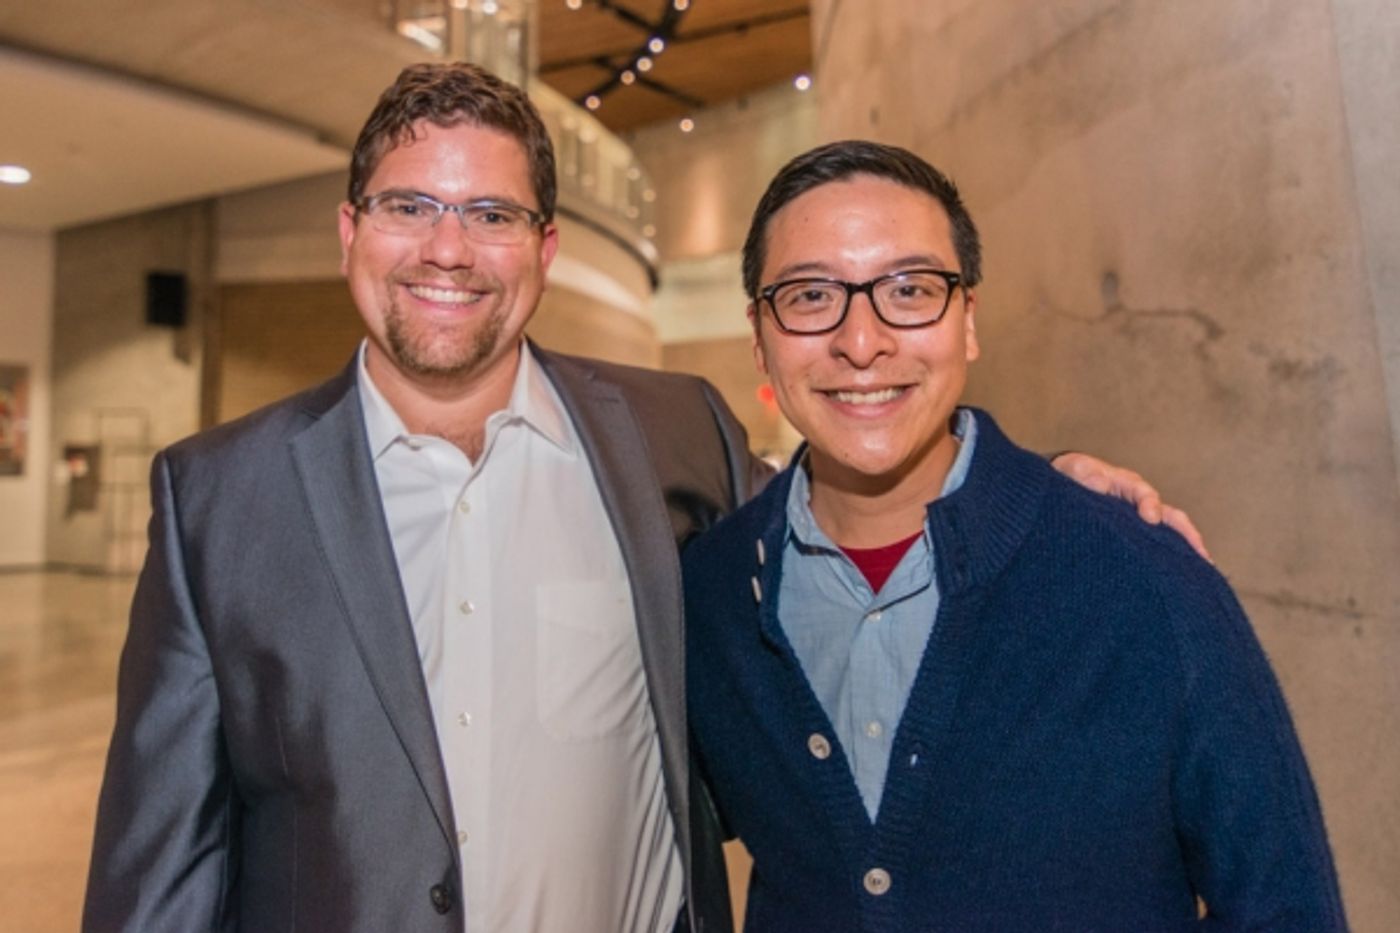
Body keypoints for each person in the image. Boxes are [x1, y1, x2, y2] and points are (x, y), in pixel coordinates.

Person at [82, 64, 1200, 933]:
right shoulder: (217, 497)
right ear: (349, 232)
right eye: (408, 205)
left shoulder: (672, 431)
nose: (447, 249)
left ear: (546, 248)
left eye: (492, 214)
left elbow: (857, 512)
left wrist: (1039, 483)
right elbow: (160, 864)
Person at [683, 140, 1345, 931]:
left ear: (969, 322)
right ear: (760, 335)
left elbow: (1284, 905)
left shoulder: (1142, 577)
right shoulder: (714, 592)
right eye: (810, 295)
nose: (862, 342)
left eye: (910, 288)